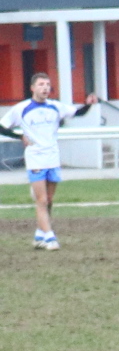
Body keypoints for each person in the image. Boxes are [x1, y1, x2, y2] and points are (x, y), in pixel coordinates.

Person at [2, 69, 92, 250]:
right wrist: (19, 137)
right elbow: (2, 126)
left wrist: (88, 104)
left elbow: (78, 112)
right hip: (35, 158)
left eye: (48, 85)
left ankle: (40, 234)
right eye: (41, 84)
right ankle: (50, 238)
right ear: (32, 88)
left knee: (49, 200)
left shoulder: (55, 106)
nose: (45, 88)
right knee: (41, 200)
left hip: (53, 157)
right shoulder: (22, 108)